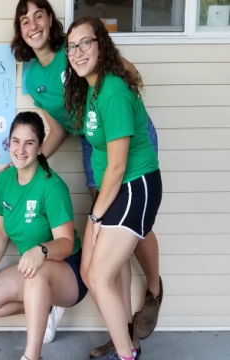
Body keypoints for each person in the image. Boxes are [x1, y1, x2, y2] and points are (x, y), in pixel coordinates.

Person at [11, 0, 163, 354]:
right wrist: (33, 157)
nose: (33, 25)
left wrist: (95, 217)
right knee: (106, 263)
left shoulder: (108, 87)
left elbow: (119, 164)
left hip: (127, 163)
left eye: (39, 15)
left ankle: (153, 292)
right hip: (95, 145)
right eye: (24, 21)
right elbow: (63, 127)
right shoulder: (57, 82)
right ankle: (124, 334)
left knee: (127, 237)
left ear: (51, 19)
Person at [64, 16, 163, 360]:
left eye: (85, 43)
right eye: (71, 46)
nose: (77, 52)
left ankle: (127, 354)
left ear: (101, 45)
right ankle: (129, 343)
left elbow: (119, 165)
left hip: (136, 186)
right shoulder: (93, 87)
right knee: (92, 273)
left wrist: (93, 218)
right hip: (119, 188)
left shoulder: (113, 92)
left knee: (100, 274)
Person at [0, 112, 88, 360]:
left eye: (29, 143)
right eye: (16, 141)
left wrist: (41, 250)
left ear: (39, 147)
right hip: (34, 264)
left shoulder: (51, 186)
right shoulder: (4, 180)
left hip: (67, 269)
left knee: (35, 277)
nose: (21, 150)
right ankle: (44, 309)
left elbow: (67, 244)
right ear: (9, 142)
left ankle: (32, 356)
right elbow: (1, 233)